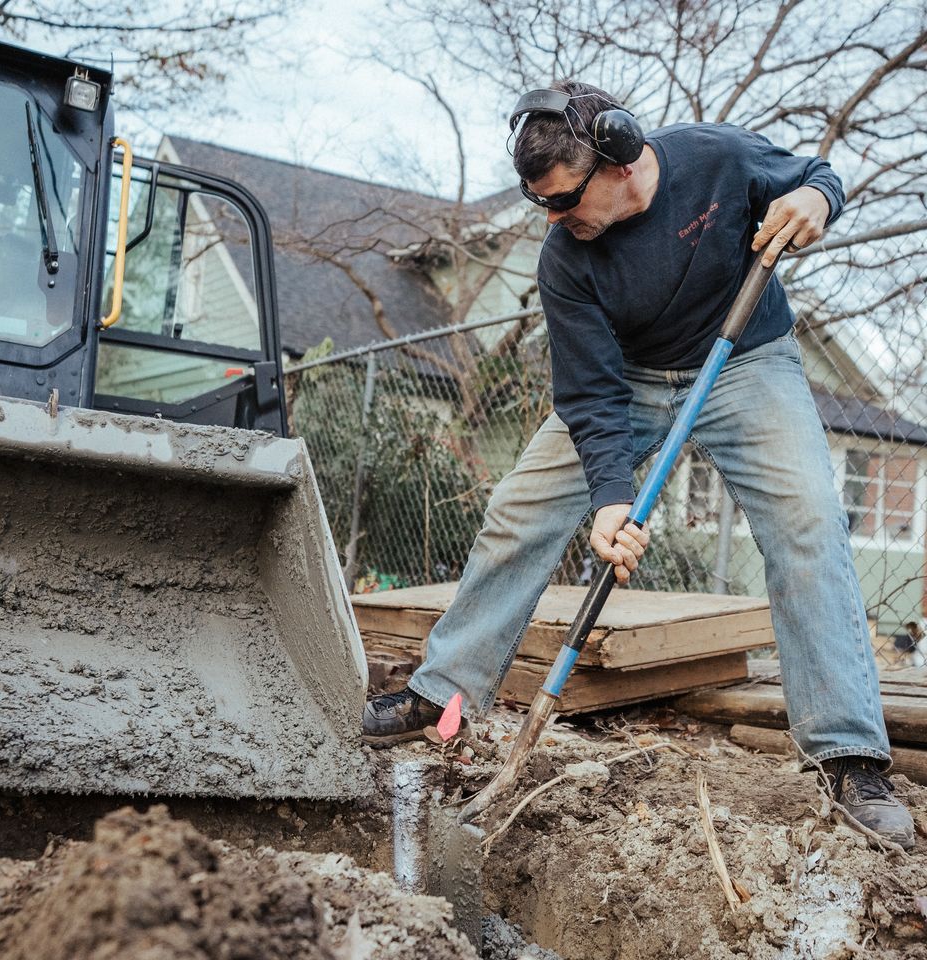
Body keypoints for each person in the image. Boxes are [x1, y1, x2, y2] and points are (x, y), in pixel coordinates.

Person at [362, 79, 915, 849]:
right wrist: (611, 501)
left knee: (809, 525)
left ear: (619, 160)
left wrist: (818, 199)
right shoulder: (566, 260)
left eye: (564, 200)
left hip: (746, 361)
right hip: (627, 379)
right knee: (518, 510)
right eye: (542, 206)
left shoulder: (716, 158)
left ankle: (849, 754)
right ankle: (444, 691)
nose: (554, 221)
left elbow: (814, 177)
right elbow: (589, 394)